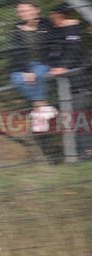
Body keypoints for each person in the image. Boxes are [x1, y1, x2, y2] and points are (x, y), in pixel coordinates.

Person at [48, 2, 90, 160]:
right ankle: (77, 153)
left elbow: (74, 51)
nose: (53, 18)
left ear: (61, 14)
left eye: (55, 15)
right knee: (68, 119)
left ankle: (86, 152)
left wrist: (63, 67)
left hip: (78, 84)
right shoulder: (57, 31)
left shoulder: (74, 30)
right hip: (62, 86)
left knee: (78, 118)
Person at [10, 1, 58, 132]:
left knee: (38, 74)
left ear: (37, 10)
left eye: (26, 10)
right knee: (16, 79)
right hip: (25, 65)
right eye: (20, 12)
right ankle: (43, 107)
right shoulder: (16, 29)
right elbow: (17, 53)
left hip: (44, 62)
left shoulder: (47, 25)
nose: (23, 14)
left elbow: (52, 46)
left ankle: (38, 111)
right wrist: (25, 71)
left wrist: (34, 29)